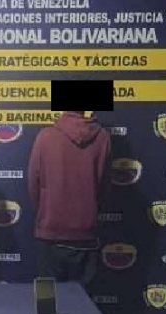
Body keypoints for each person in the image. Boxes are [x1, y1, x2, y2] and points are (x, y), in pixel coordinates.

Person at [27, 111, 110, 285]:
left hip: (51, 232)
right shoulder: (102, 137)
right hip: (86, 233)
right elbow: (103, 185)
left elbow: (33, 183)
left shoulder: (45, 136)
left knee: (48, 299)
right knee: (84, 299)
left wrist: (46, 212)